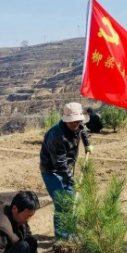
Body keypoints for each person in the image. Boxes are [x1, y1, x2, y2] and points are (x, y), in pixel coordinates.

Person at [40, 102, 93, 240]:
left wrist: (87, 144)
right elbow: (60, 165)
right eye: (73, 122)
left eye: (78, 121)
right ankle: (62, 239)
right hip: (52, 171)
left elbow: (82, 130)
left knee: (73, 200)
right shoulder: (56, 137)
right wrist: (72, 181)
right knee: (62, 204)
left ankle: (71, 231)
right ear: (66, 120)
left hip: (65, 169)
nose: (76, 124)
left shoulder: (78, 124)